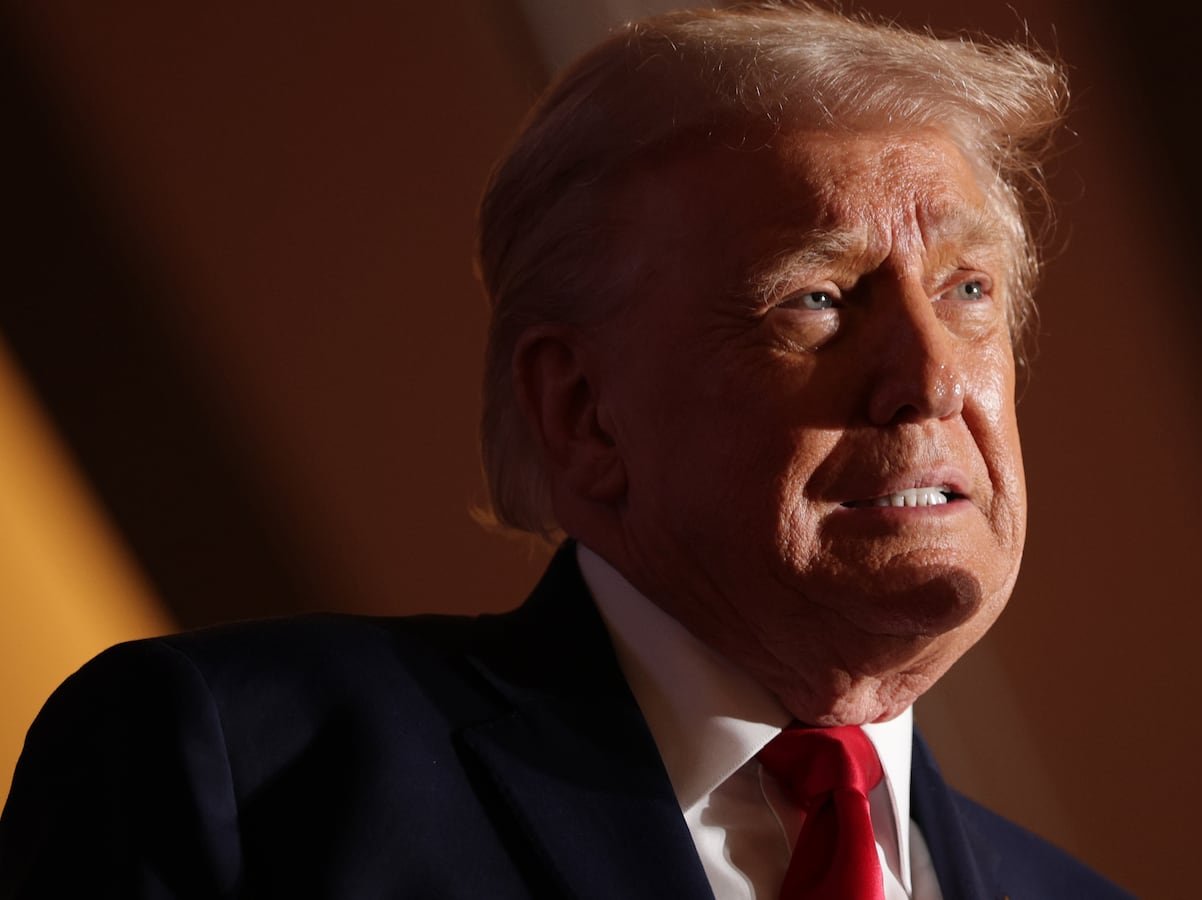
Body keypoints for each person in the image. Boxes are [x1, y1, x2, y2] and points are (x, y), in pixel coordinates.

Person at [0, 4, 1129, 898]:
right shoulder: (249, 777)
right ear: (584, 409)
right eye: (819, 299)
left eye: (967, 291)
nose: (932, 378)